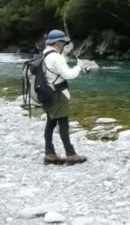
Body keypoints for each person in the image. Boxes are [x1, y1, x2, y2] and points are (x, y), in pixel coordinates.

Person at [42, 29, 88, 165]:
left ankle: (49, 153)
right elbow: (68, 75)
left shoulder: (46, 53)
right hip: (58, 95)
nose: (64, 44)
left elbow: (57, 68)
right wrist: (79, 67)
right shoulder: (56, 57)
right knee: (63, 123)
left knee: (51, 122)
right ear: (56, 42)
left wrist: (66, 55)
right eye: (62, 41)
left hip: (48, 93)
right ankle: (71, 154)